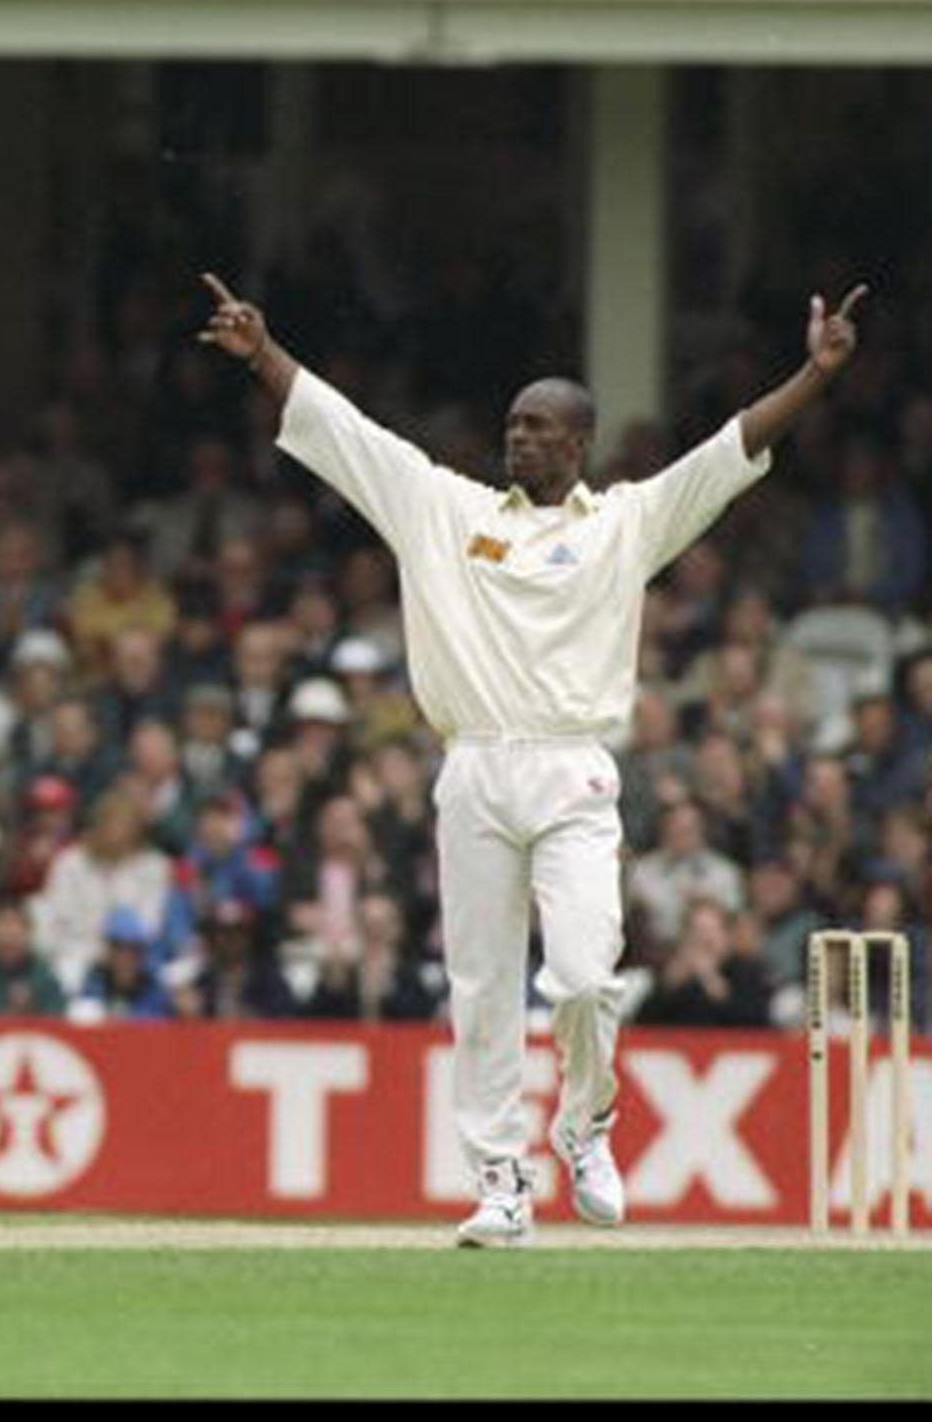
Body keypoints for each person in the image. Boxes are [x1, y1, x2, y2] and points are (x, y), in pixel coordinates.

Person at [199, 268, 867, 1247]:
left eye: (538, 428)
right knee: (478, 986)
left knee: (588, 975)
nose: (517, 437)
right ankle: (500, 1181)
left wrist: (814, 376)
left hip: (572, 770)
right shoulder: (445, 510)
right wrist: (262, 355)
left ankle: (584, 1125)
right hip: (471, 766)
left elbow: (730, 449)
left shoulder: (626, 522)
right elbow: (342, 432)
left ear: (579, 444)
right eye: (512, 424)